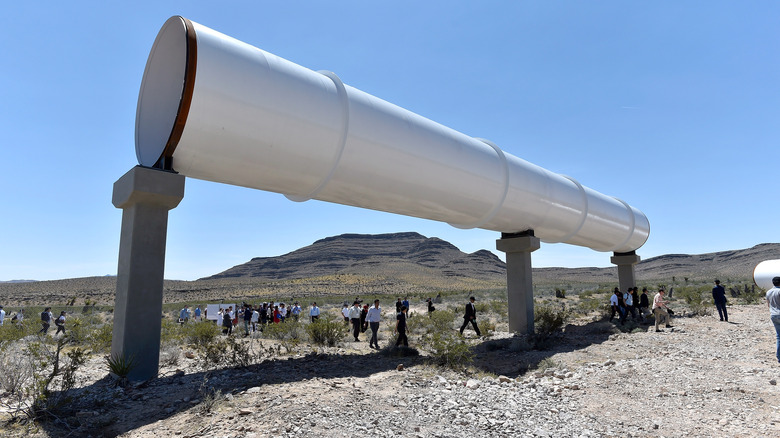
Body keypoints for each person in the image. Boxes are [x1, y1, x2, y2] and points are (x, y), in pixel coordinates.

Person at [765, 276, 780, 363]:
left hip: (773, 314)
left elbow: (768, 304)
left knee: (778, 336)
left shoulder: (769, 292)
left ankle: (779, 356)